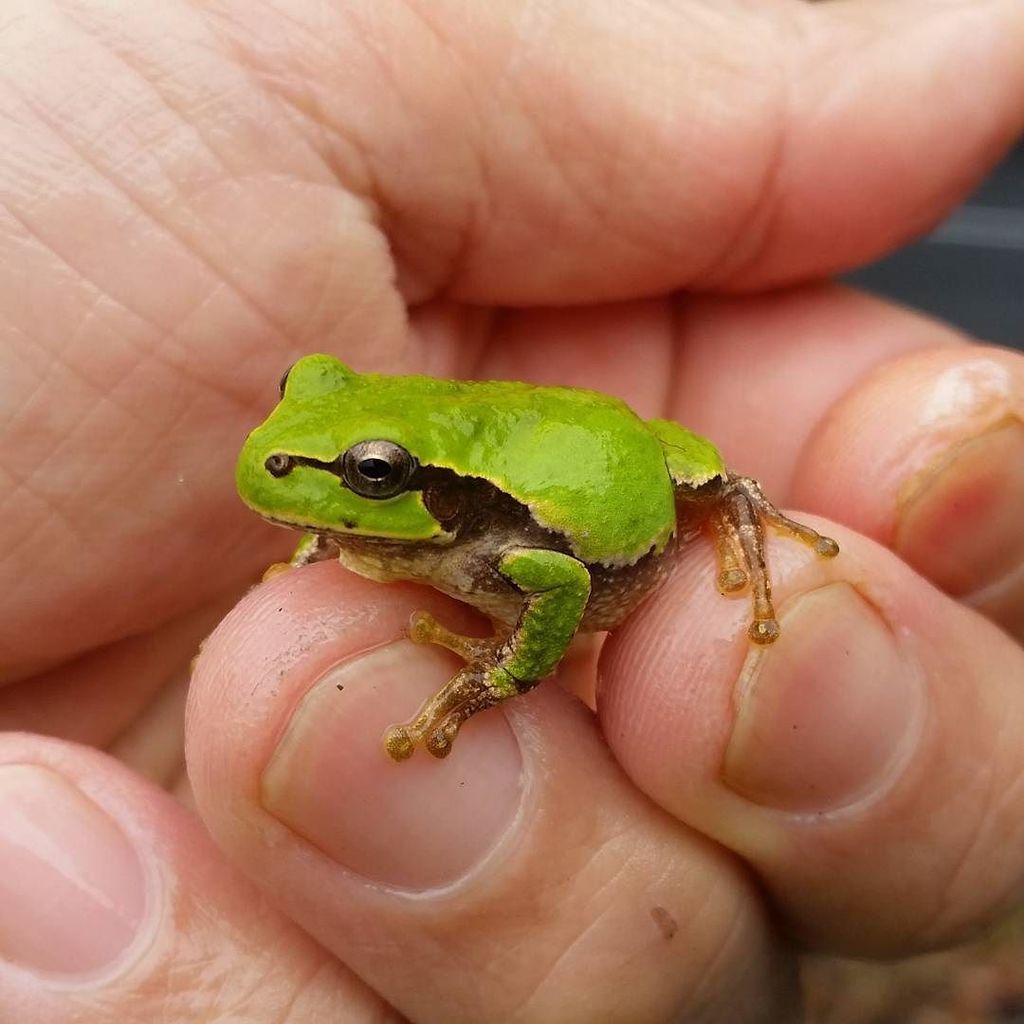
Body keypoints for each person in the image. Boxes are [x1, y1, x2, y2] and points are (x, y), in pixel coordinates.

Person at [1, 1, 1023, 1020]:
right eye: (299, 400)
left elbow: (565, 577)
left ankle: (738, 505)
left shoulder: (498, 556)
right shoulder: (397, 495)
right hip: (494, 470)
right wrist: (347, 514)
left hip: (596, 523)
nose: (277, 453)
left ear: (416, 489)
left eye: (364, 473)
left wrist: (495, 676)